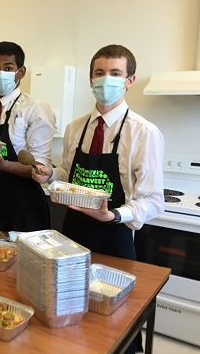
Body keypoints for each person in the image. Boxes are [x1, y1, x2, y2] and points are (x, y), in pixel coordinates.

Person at [32, 44, 165, 262]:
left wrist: (113, 215)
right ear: (91, 79)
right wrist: (51, 174)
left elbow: (153, 200)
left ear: (129, 81)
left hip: (114, 235)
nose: (106, 80)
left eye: (115, 74)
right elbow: (70, 175)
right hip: (72, 233)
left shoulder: (144, 133)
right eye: (99, 73)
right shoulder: (75, 128)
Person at [0, 41, 56, 231]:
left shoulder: (36, 108)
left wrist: (2, 164)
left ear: (21, 72)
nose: (1, 73)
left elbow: (38, 167)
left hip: (23, 207)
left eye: (8, 68)